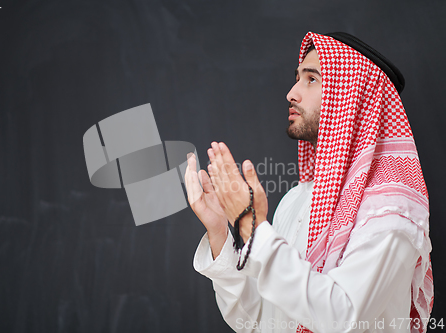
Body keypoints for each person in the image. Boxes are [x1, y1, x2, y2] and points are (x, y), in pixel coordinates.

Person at [185, 32, 433, 333]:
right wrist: (220, 233)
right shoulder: (296, 200)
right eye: (297, 77)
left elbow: (341, 318)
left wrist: (253, 226)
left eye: (311, 79)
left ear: (349, 95)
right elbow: (257, 322)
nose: (291, 93)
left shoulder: (390, 212)